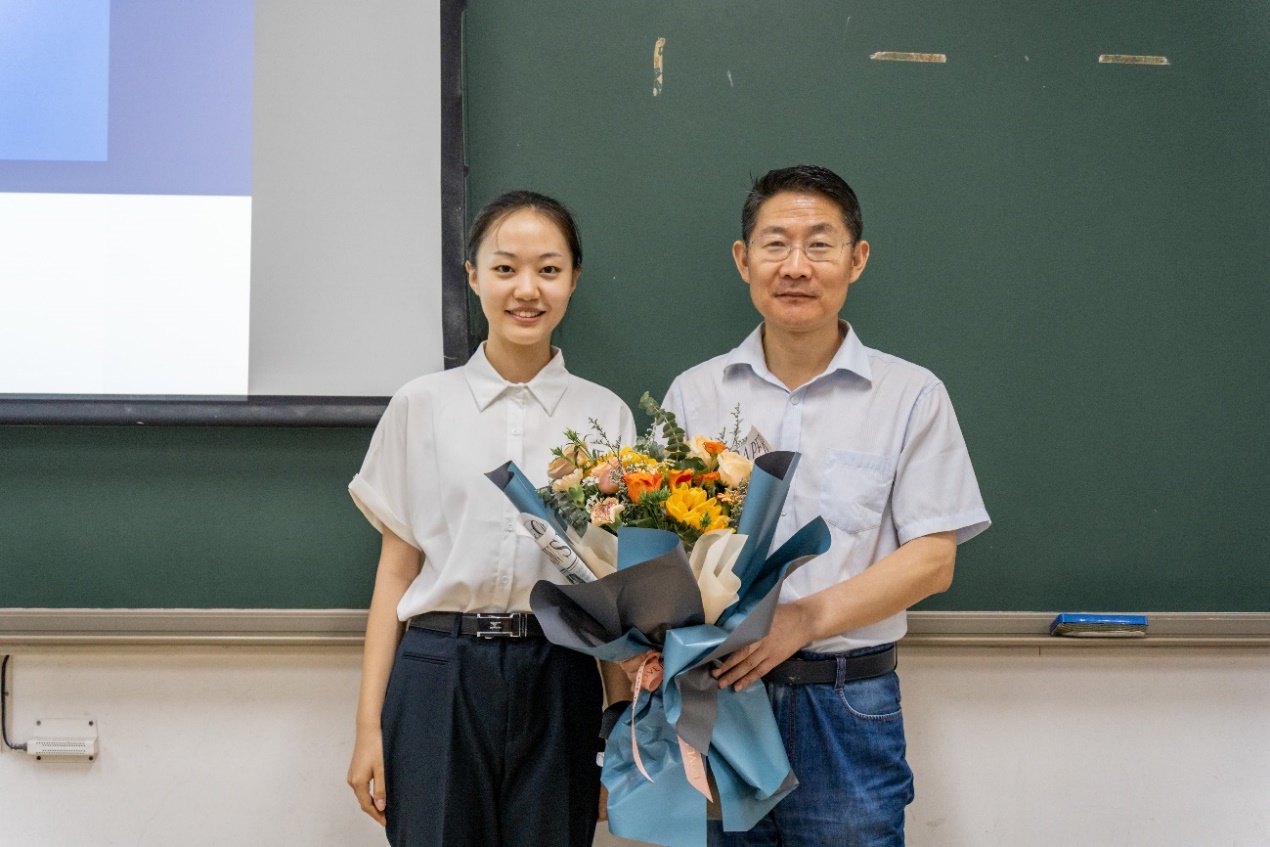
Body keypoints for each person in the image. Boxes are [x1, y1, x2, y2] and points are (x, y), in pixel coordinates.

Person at [663, 165, 990, 846]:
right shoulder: (694, 395)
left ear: (856, 259)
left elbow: (933, 560)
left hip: (846, 703)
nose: (796, 267)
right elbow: (661, 556)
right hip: (717, 699)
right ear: (743, 259)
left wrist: (803, 619)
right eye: (775, 244)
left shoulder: (911, 395)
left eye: (819, 244)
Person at [346, 190, 635, 847]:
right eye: (505, 268)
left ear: (573, 279)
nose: (526, 289)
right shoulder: (421, 405)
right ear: (473, 276)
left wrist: (619, 726)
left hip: (561, 673)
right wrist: (368, 727)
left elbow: (611, 591)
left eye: (549, 269)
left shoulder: (606, 417)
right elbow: (395, 573)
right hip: (439, 672)